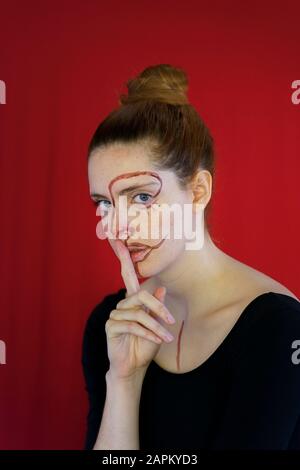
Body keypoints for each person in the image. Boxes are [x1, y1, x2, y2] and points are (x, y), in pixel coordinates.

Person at [82, 63, 300, 450]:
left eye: (142, 197)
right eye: (105, 203)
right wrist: (124, 382)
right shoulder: (112, 325)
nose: (118, 226)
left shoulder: (279, 329)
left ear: (198, 190)